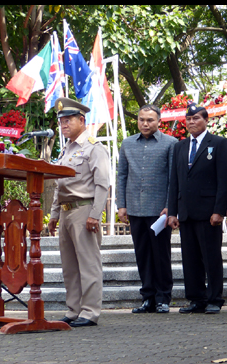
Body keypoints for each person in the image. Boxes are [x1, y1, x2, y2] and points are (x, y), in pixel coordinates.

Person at [48, 97, 110, 327]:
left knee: (88, 264)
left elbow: (102, 184)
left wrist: (95, 214)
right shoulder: (66, 149)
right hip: (66, 211)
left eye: (68, 121)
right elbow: (59, 185)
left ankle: (90, 311)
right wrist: (54, 214)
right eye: (61, 121)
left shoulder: (93, 148)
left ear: (82, 120)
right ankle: (73, 309)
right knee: (70, 266)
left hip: (84, 210)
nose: (63, 125)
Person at [168, 104, 227, 314]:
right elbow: (174, 181)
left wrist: (219, 210)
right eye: (188, 119)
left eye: (196, 118)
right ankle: (196, 298)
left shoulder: (219, 143)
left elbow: (224, 180)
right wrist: (172, 212)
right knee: (190, 258)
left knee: (211, 256)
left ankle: (214, 298)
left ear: (206, 120)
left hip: (208, 212)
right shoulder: (180, 146)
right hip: (186, 212)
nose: (191, 122)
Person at [117, 104, 177, 314]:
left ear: (159, 121)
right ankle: (148, 297)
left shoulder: (170, 143)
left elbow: (173, 178)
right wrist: (121, 205)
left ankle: (163, 298)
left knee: (161, 254)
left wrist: (170, 206)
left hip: (159, 211)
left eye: (150, 120)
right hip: (135, 208)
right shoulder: (127, 144)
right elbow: (122, 175)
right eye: (141, 119)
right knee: (142, 254)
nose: (145, 123)